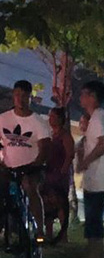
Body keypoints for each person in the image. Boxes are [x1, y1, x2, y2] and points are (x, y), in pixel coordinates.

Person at [75, 81, 104, 258]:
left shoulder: (99, 116)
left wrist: (84, 162)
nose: (80, 98)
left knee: (94, 225)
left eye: (83, 94)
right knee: (93, 224)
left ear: (92, 96)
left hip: (98, 181)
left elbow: (103, 145)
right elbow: (92, 142)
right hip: (95, 181)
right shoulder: (96, 118)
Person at [0, 80, 51, 235]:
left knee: (30, 187)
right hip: (8, 168)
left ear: (30, 97)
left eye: (24, 96)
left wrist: (36, 164)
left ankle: (39, 231)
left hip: (31, 168)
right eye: (17, 95)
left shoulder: (39, 122)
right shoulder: (3, 119)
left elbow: (45, 147)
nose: (20, 99)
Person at [41, 107, 75, 244]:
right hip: (48, 174)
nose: (50, 119)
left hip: (60, 175)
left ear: (60, 119)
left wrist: (62, 171)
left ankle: (63, 235)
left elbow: (69, 155)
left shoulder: (65, 136)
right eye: (50, 116)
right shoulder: (51, 135)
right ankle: (48, 234)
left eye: (53, 116)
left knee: (60, 204)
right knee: (47, 204)